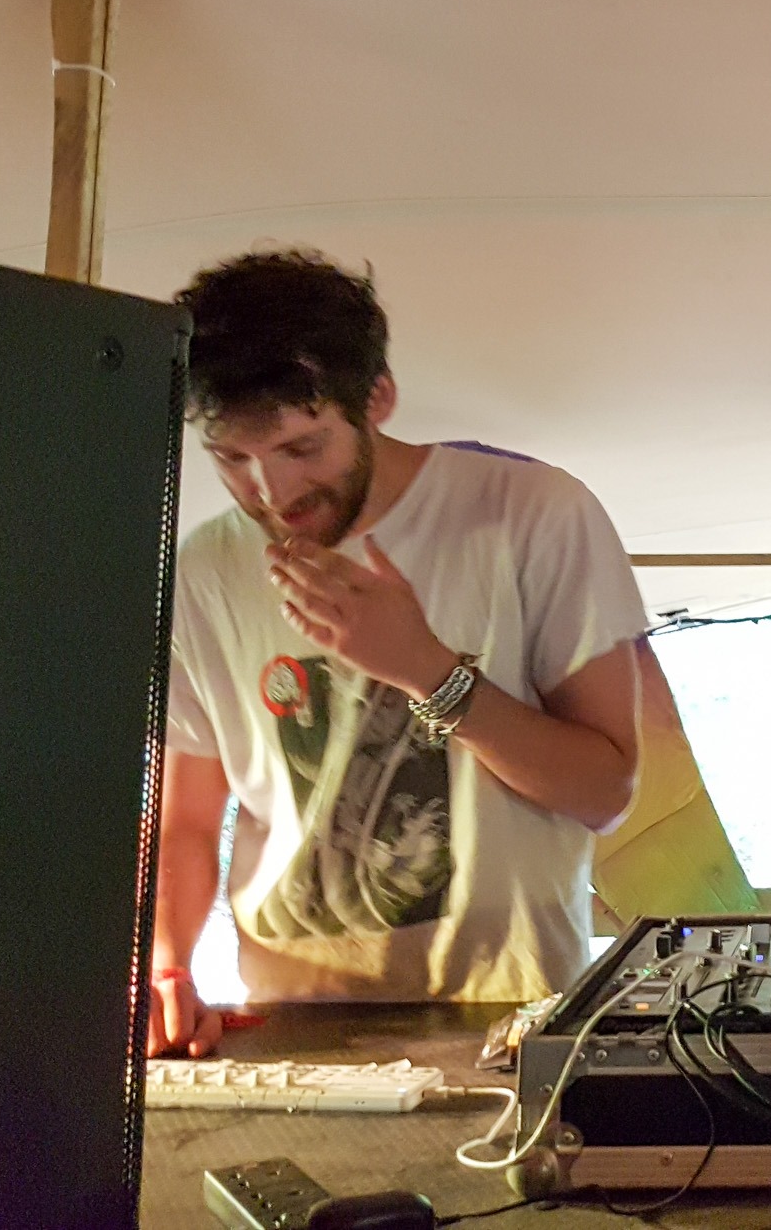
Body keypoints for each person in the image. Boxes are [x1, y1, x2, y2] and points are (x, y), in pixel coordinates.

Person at [148, 249, 647, 1057]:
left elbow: (604, 789)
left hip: (513, 1015)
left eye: (302, 448)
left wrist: (427, 671)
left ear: (377, 397)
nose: (271, 493)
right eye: (232, 458)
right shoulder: (206, 566)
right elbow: (188, 823)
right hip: (291, 1019)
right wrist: (166, 966)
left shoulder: (534, 515)